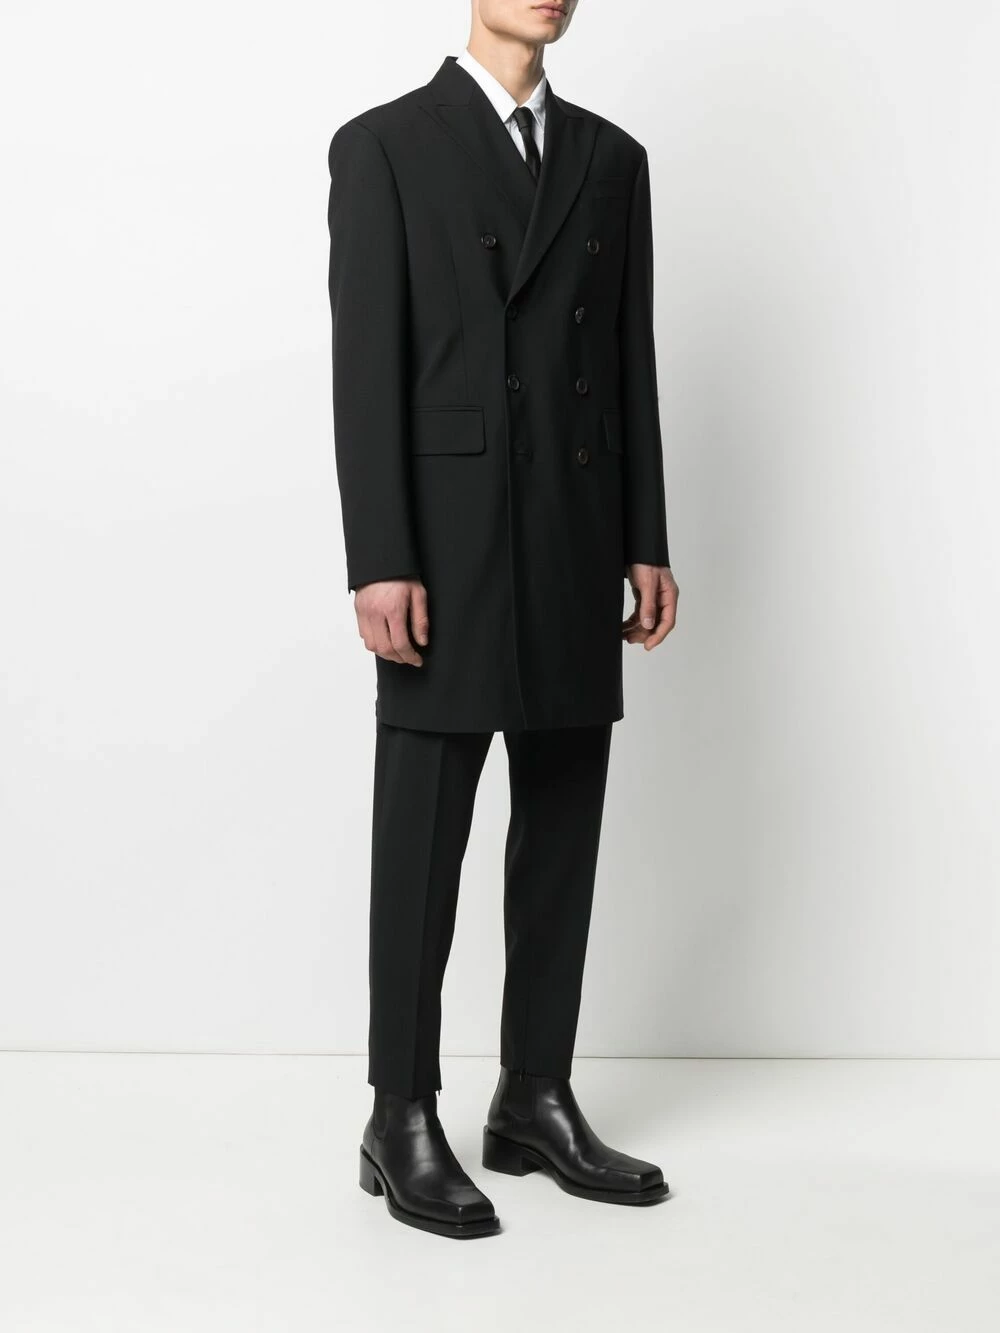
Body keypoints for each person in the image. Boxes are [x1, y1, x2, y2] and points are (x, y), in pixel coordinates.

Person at [326, 0, 679, 1239]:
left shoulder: (611, 158)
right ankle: (399, 1111)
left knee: (563, 824)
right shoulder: (384, 145)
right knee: (421, 834)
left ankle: (534, 1094)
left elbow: (627, 355)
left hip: (574, 528)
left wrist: (645, 536)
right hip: (448, 543)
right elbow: (365, 364)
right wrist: (381, 557)